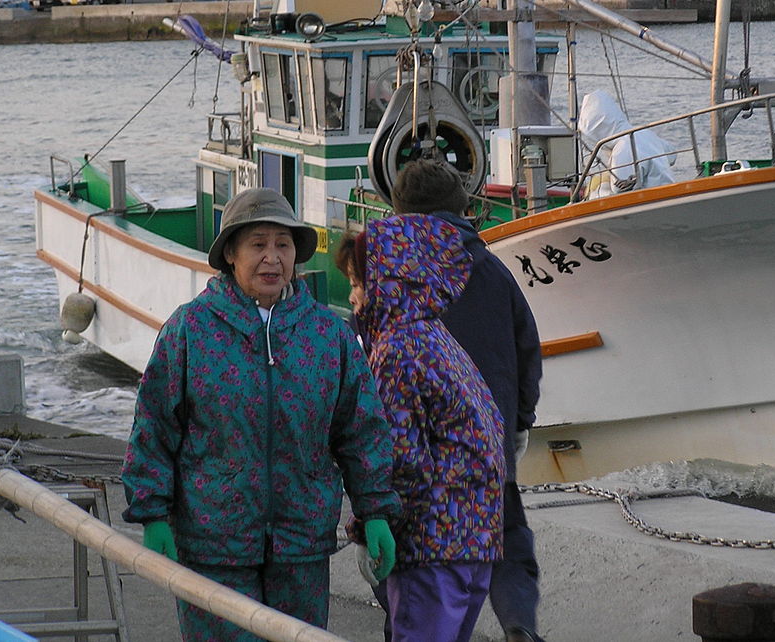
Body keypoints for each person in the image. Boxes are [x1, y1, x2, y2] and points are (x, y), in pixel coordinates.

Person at [121, 188, 400, 641]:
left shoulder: (329, 336)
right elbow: (153, 427)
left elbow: (361, 433)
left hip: (302, 550)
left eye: (283, 245)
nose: (272, 258)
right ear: (230, 253)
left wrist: (377, 513)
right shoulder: (189, 331)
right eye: (258, 244)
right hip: (213, 549)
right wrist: (152, 514)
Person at [391, 158, 545, 642]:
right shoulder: (493, 270)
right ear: (463, 209)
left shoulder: (389, 274)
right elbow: (527, 349)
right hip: (487, 442)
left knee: (407, 555)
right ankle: (518, 624)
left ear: (397, 212)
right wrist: (519, 422)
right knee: (505, 536)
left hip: (419, 452)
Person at [336, 214, 505, 642]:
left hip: (430, 548)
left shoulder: (395, 351)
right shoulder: (436, 336)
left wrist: (366, 527)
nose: (353, 298)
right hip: (474, 541)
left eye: (358, 283)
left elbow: (401, 460)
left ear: (388, 283)